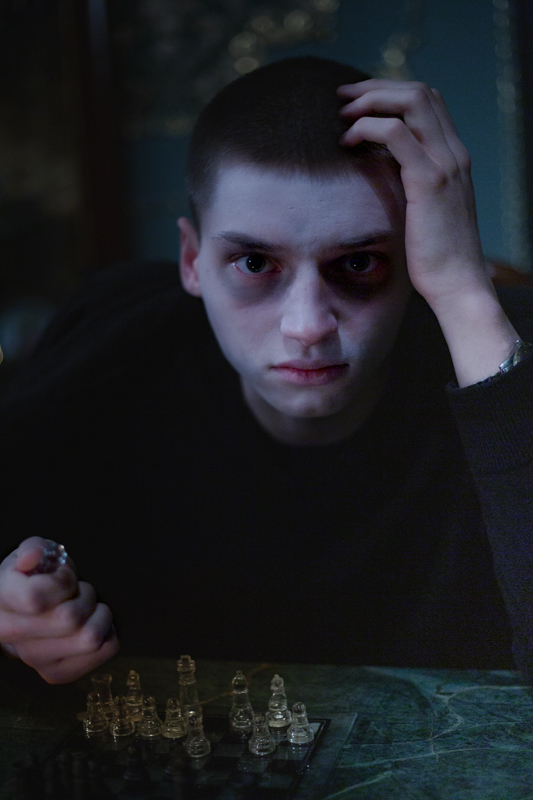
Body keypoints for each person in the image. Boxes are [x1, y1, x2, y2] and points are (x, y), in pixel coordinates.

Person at [0, 56, 532, 684]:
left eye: (359, 263)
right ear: (192, 261)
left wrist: (463, 291)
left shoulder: (495, 347)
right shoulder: (105, 359)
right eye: (255, 264)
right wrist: (16, 614)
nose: (307, 326)